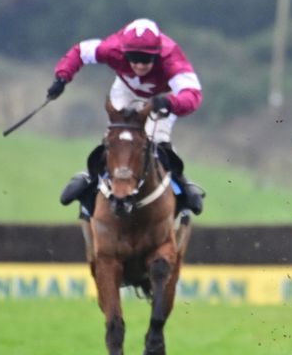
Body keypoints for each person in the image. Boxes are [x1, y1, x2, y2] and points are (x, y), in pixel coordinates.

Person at [48, 18, 205, 230]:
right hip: (125, 90)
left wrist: (170, 102)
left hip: (162, 96)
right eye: (134, 59)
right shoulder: (112, 48)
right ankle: (91, 179)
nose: (140, 65)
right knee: (118, 137)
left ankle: (181, 186)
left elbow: (193, 95)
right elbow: (79, 52)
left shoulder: (171, 58)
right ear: (123, 52)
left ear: (158, 55)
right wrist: (62, 78)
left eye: (146, 60)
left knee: (156, 139)